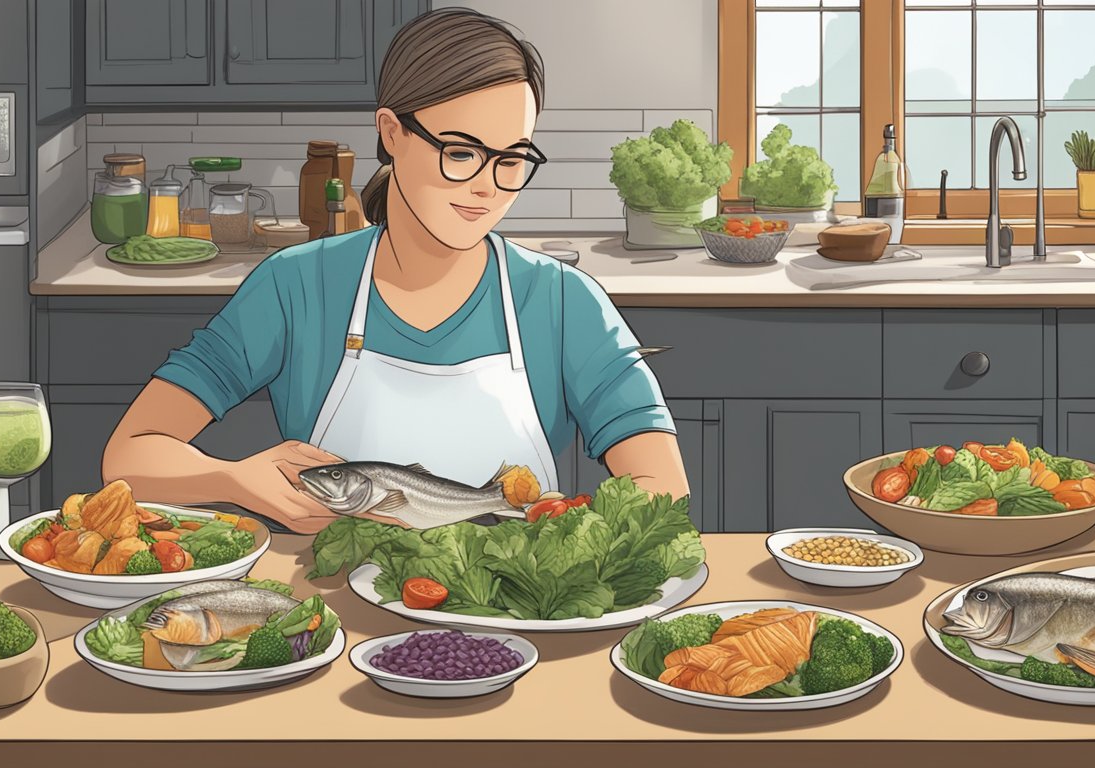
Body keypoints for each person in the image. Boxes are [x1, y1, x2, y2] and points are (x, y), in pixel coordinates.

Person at [102, 8, 687, 534]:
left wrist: (569, 534)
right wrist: (232, 479)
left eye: (510, 160)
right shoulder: (298, 286)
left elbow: (662, 488)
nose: (487, 185)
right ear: (392, 134)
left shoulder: (563, 302)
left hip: (514, 613)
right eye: (461, 152)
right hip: (337, 618)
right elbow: (130, 454)